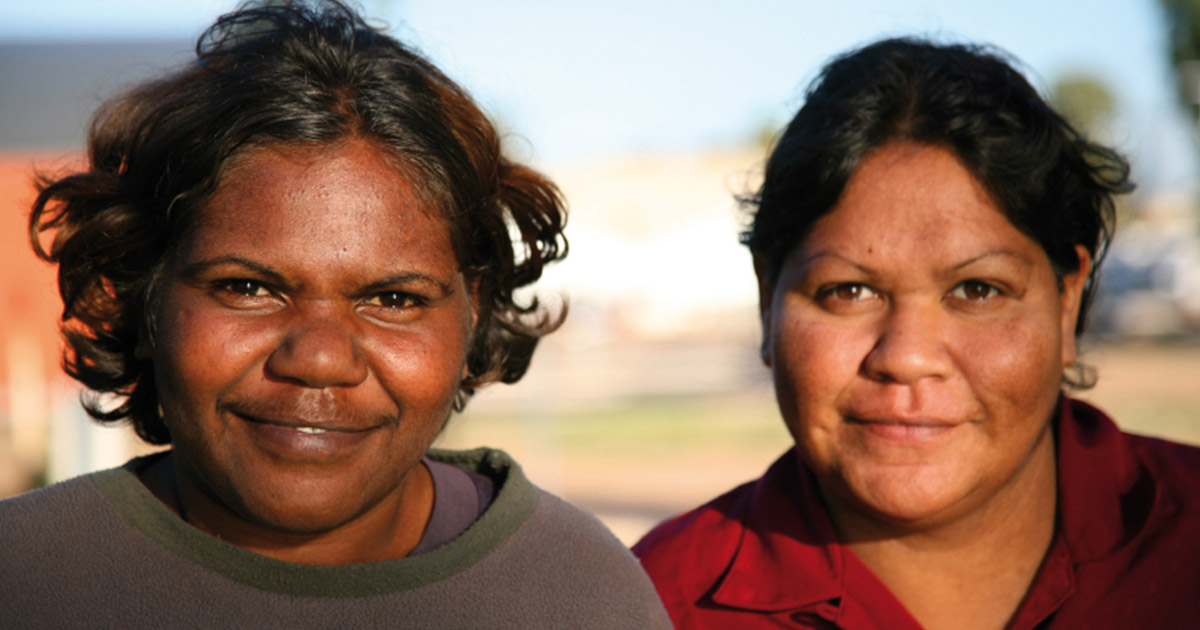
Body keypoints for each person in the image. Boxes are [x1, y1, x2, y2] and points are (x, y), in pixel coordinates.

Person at [0, 2, 671, 627]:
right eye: (247, 288)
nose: (319, 358)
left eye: (393, 300)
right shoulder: (28, 577)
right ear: (145, 297)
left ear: (474, 314)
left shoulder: (579, 595)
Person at [633, 37, 1200, 630]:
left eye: (978, 290)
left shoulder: (1184, 543)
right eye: (848, 292)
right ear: (766, 299)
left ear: (1067, 303)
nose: (905, 357)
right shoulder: (654, 607)